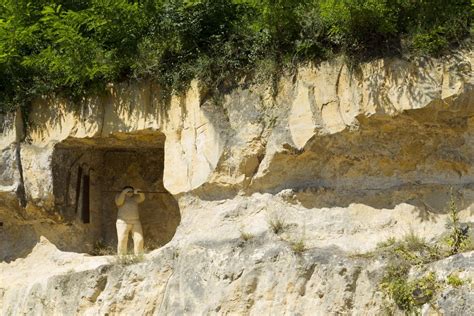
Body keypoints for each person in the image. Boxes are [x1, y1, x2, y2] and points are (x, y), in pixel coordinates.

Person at [115, 186, 145, 255]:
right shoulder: (119, 196)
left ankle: (138, 256)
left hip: (135, 221)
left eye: (131, 191)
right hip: (123, 222)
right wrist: (123, 193)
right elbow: (119, 202)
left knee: (139, 239)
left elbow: (142, 198)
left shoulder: (134, 198)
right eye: (128, 191)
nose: (130, 192)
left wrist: (140, 192)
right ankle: (122, 257)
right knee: (122, 240)